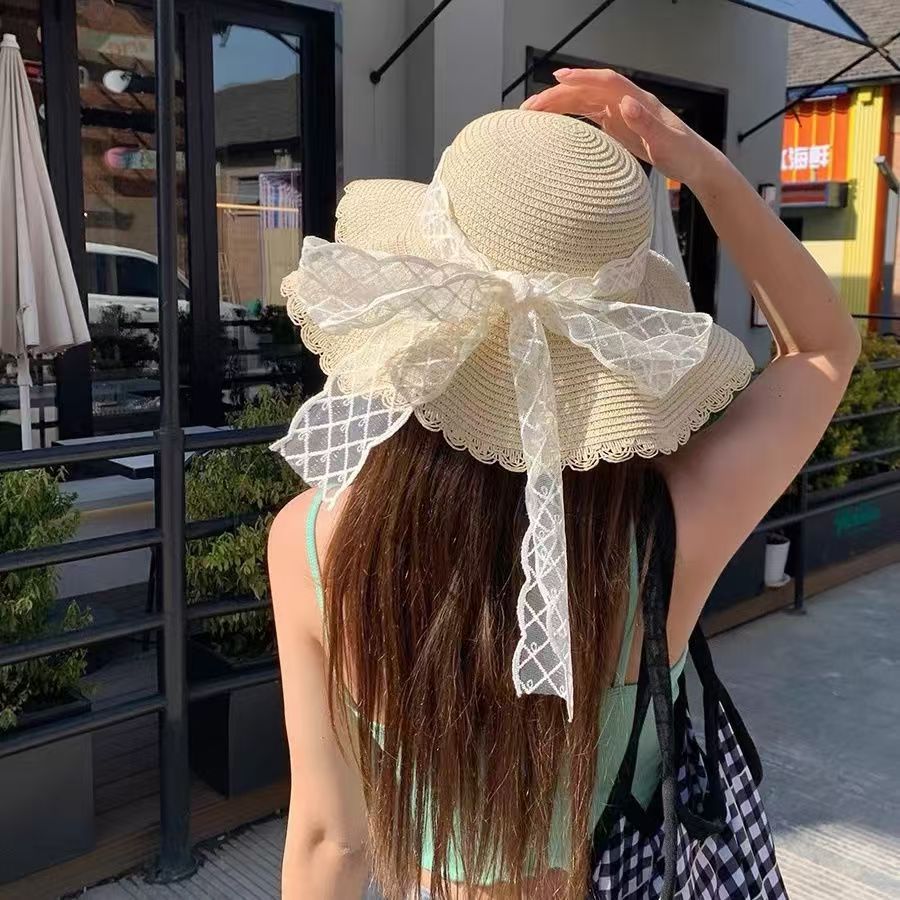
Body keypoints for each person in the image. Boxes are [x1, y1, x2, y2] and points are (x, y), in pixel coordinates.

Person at [267, 69, 860, 900]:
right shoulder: (665, 532)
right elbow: (823, 349)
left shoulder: (310, 543)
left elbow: (331, 839)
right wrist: (695, 162)